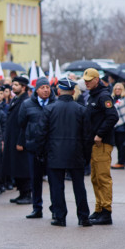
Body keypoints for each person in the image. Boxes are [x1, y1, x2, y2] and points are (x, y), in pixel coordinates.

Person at [42, 79, 92, 227]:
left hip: (54, 153)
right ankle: (83, 217)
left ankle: (59, 216)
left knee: (56, 186)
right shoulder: (81, 109)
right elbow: (87, 136)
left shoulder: (49, 109)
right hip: (75, 153)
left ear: (58, 92)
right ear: (72, 92)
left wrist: (42, 153)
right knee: (79, 186)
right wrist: (86, 156)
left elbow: (41, 133)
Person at [83, 68, 119, 225]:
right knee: (95, 177)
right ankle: (98, 209)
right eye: (85, 80)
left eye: (89, 80)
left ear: (97, 79)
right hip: (94, 143)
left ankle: (106, 212)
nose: (87, 82)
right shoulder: (93, 95)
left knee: (103, 177)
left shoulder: (103, 96)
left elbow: (113, 116)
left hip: (102, 143)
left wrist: (100, 134)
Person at [18, 77, 53, 218]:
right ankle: (37, 207)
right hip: (33, 147)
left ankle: (55, 208)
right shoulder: (27, 104)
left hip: (51, 148)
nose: (45, 90)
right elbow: (21, 123)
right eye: (42, 87)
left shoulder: (55, 103)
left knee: (54, 180)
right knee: (36, 179)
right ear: (36, 90)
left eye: (47, 87)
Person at [2, 76, 32, 204]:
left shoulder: (26, 101)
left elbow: (25, 124)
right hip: (13, 139)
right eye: (13, 84)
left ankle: (27, 194)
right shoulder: (16, 99)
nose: (13, 87)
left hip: (20, 141)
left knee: (23, 168)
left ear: (23, 87)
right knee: (16, 168)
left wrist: (21, 142)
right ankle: (21, 193)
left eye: (16, 85)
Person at [110, 82, 125, 169]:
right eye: (116, 89)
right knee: (118, 145)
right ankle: (120, 161)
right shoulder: (112, 99)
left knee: (122, 146)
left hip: (123, 127)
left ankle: (121, 162)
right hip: (115, 126)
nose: (117, 90)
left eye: (119, 89)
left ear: (122, 90)